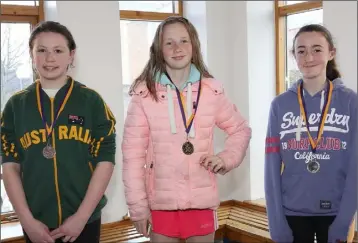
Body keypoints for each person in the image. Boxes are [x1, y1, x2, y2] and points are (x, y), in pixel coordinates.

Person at [121, 16, 251, 243]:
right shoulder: (143, 95)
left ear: (194, 46)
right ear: (158, 50)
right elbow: (132, 157)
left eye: (184, 41)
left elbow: (240, 129)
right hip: (161, 204)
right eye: (169, 43)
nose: (177, 48)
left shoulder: (212, 91)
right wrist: (138, 208)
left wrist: (227, 158)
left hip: (201, 203)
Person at [0, 21, 116, 243]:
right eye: (41, 50)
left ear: (71, 55)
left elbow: (106, 161)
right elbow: (10, 167)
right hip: (35, 223)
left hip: (85, 221)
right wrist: (26, 221)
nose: (49, 58)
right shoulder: (15, 106)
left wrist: (81, 218)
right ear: (32, 55)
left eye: (58, 50)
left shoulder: (91, 102)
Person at [264, 24, 357, 243]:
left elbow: (356, 167)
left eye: (317, 49)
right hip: (291, 213)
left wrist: (343, 222)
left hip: (335, 213)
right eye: (301, 50)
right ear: (294, 55)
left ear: (330, 53)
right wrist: (276, 223)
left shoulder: (350, 102)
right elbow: (271, 167)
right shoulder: (280, 104)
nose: (309, 57)